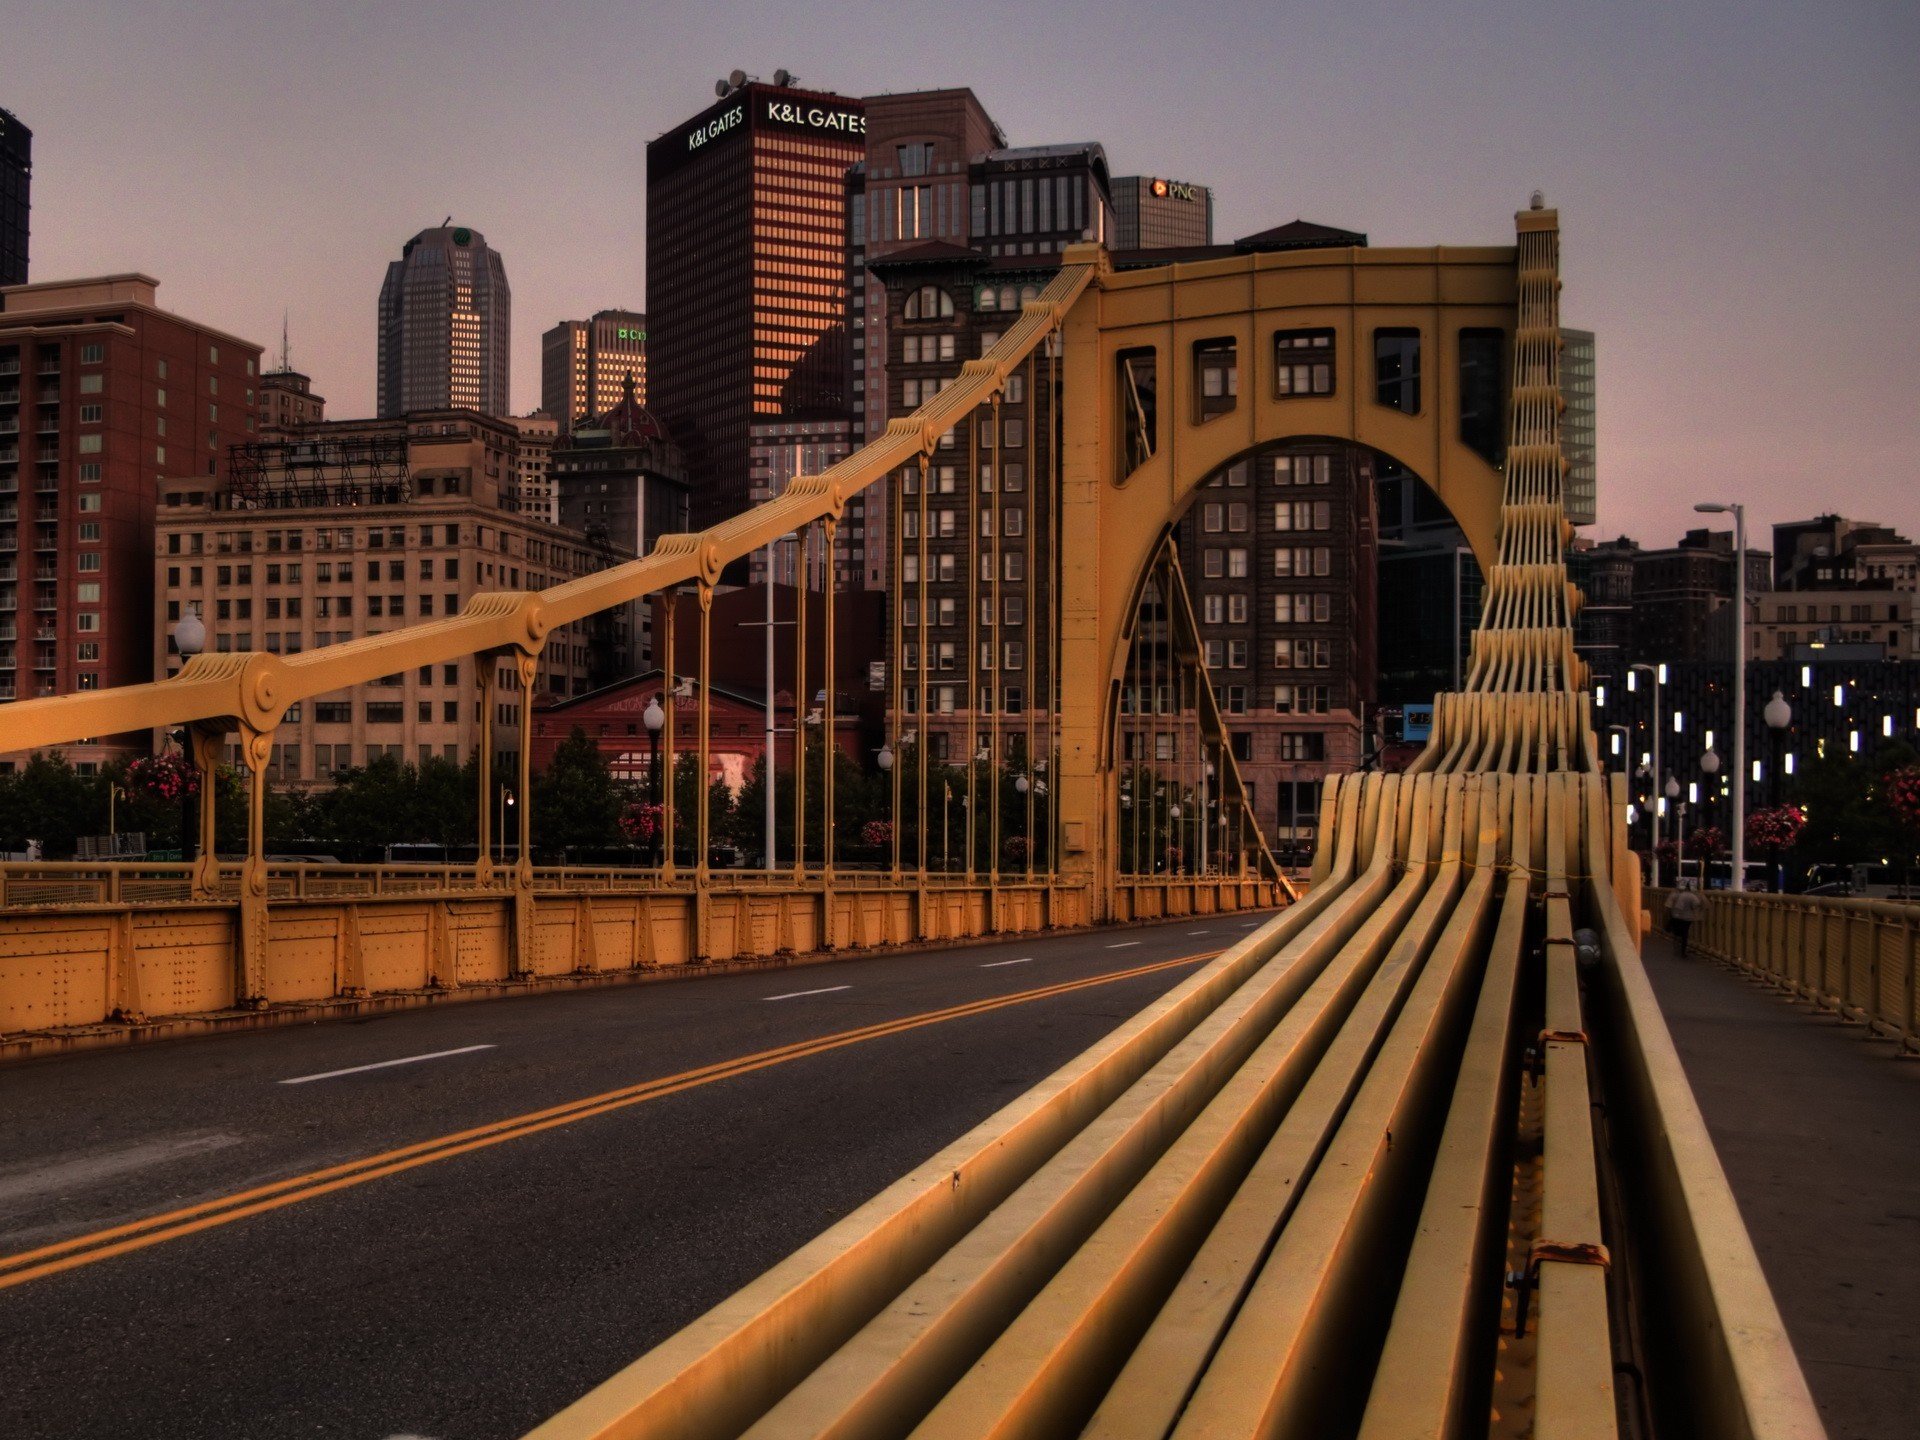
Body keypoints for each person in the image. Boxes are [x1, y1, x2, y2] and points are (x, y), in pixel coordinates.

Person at [1667, 882, 1704, 956]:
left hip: (1677, 917)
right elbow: (1696, 906)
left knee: (1677, 933)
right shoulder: (1692, 896)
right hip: (1687, 918)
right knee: (1685, 934)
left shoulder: (1678, 895)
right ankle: (1683, 951)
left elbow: (1673, 906)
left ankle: (1677, 947)